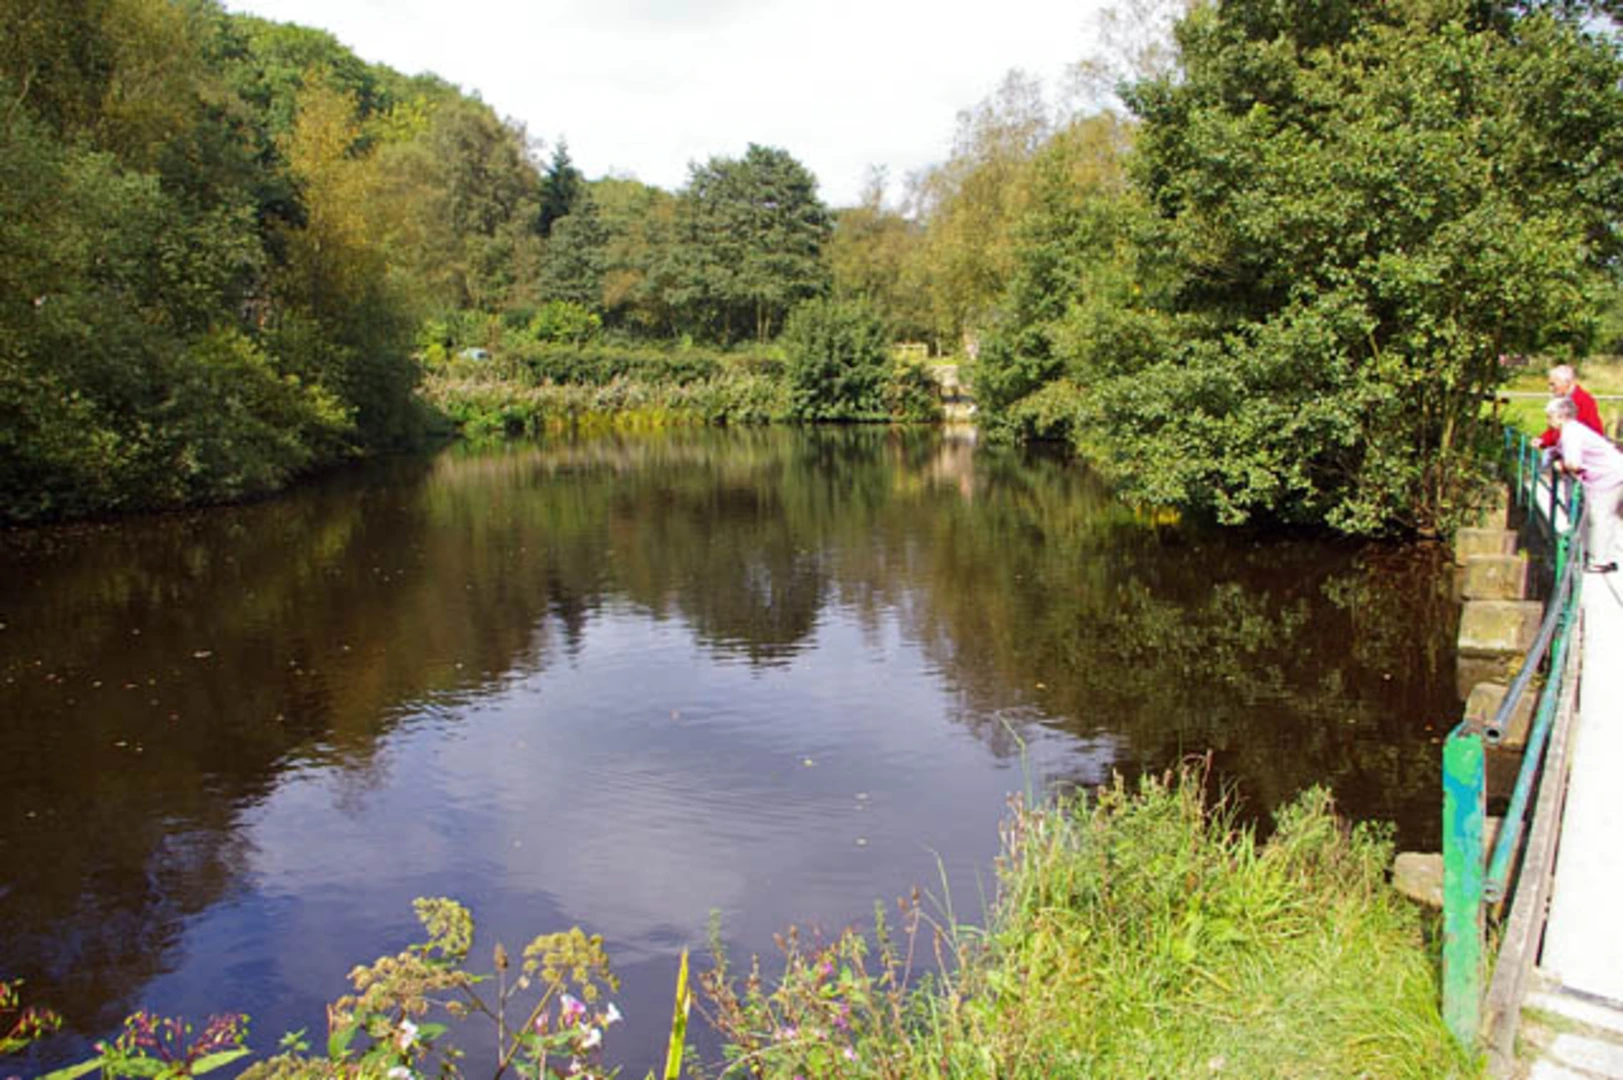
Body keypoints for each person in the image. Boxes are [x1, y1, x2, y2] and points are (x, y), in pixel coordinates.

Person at [1547, 395, 1623, 572]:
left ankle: (1598, 561)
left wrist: (1560, 465)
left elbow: (1573, 463)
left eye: (1550, 416)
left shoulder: (1570, 433)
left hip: (1607, 476)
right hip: (1610, 473)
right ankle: (1602, 555)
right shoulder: (1575, 429)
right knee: (1605, 515)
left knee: (1599, 515)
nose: (1548, 421)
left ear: (1561, 416)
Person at [1536, 364, 1605, 448]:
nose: (1550, 389)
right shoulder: (1561, 399)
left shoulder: (1583, 401)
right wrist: (1543, 440)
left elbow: (1592, 431)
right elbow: (1556, 428)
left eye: (1553, 384)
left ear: (1566, 382)